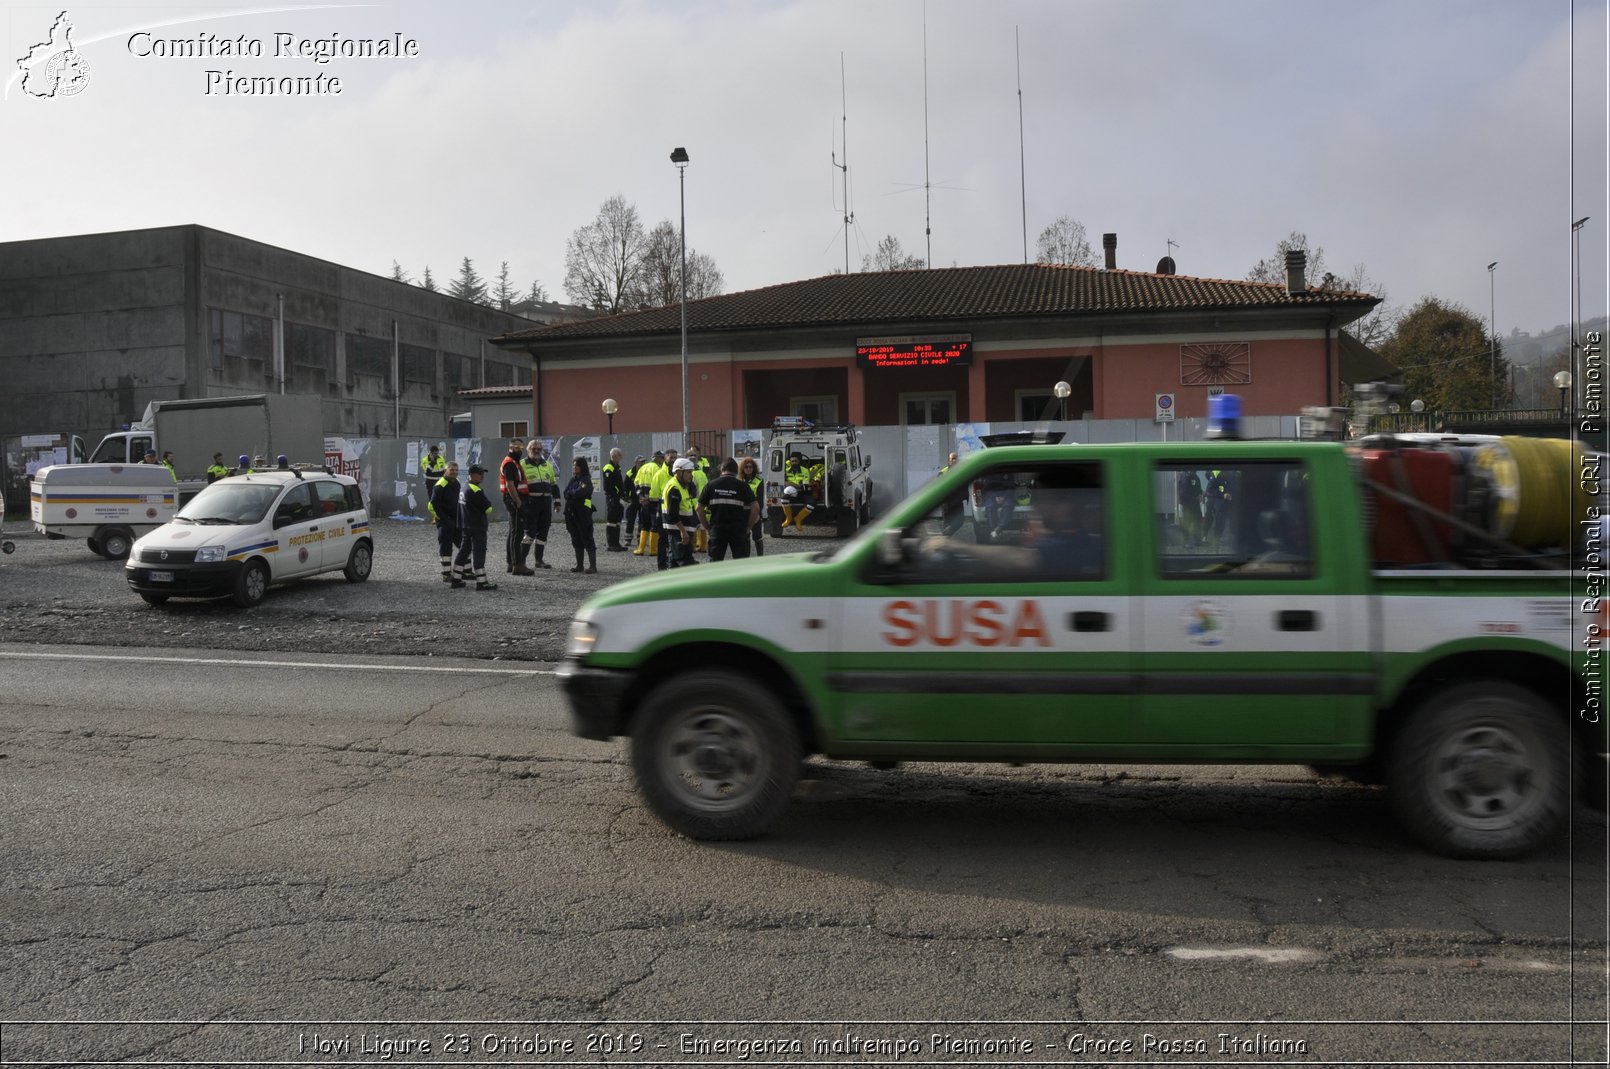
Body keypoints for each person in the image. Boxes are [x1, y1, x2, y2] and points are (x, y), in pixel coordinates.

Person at [698, 457, 759, 561]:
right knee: (741, 563)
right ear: (736, 471)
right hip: (738, 530)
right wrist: (749, 527)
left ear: (722, 469)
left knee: (715, 563)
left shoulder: (711, 485)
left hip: (717, 529)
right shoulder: (743, 486)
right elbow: (756, 507)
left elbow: (699, 508)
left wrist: (707, 527)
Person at [451, 463, 497, 590]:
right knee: (479, 552)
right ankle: (481, 582)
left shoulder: (464, 487)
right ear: (472, 475)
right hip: (477, 526)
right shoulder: (476, 490)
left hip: (466, 525)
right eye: (479, 474)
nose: (482, 476)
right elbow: (488, 508)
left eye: (483, 474)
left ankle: (456, 579)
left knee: (464, 551)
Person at [522, 439, 559, 570]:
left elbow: (553, 484)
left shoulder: (547, 465)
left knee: (543, 532)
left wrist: (557, 501)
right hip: (531, 503)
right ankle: (521, 562)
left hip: (546, 503)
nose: (536, 451)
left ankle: (539, 560)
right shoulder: (522, 465)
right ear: (528, 450)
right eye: (533, 448)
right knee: (530, 532)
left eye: (539, 449)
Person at [498, 439, 532, 575]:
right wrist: (518, 502)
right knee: (517, 534)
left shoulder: (514, 462)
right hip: (514, 499)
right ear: (510, 448)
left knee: (513, 531)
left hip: (514, 499)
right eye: (516, 447)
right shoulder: (510, 464)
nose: (519, 449)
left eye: (521, 447)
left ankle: (510, 562)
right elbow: (509, 485)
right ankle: (518, 565)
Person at [428, 460, 462, 581]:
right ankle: (446, 574)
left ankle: (467, 571)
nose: (454, 472)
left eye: (456, 470)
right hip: (445, 521)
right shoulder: (440, 485)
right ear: (445, 471)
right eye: (452, 470)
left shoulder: (456, 483)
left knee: (462, 544)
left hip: (456, 520)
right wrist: (444, 519)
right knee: (446, 547)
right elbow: (433, 504)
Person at [662, 457, 698, 567]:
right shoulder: (675, 488)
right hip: (678, 532)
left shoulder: (682, 486)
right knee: (684, 562)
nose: (691, 475)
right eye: (688, 472)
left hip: (680, 531)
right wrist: (683, 531)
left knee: (674, 561)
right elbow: (672, 514)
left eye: (691, 472)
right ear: (678, 472)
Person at [564, 457, 598, 574]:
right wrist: (572, 493)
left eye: (577, 466)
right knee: (576, 537)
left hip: (583, 513)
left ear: (582, 467)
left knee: (587, 536)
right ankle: (579, 565)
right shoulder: (573, 480)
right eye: (574, 465)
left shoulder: (586, 480)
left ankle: (593, 566)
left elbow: (580, 492)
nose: (574, 467)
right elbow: (565, 493)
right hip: (571, 513)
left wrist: (572, 493)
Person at [632, 451, 663, 556]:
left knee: (644, 524)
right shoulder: (658, 469)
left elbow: (636, 484)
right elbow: (658, 486)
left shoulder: (642, 468)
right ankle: (653, 550)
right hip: (654, 502)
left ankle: (640, 549)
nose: (663, 460)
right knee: (654, 525)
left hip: (643, 502)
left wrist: (641, 496)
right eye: (662, 458)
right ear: (658, 458)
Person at [652, 448, 678, 570]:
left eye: (675, 457)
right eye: (671, 457)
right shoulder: (659, 474)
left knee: (676, 538)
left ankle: (675, 564)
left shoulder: (679, 473)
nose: (673, 460)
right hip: (662, 511)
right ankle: (662, 566)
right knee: (663, 539)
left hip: (677, 511)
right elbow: (654, 495)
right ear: (665, 458)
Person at [738, 455, 766, 556]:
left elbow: (760, 500)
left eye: (750, 467)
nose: (748, 469)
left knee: (757, 537)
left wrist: (757, 514)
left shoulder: (759, 480)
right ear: (742, 468)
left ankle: (760, 558)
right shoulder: (739, 480)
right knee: (745, 536)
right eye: (746, 467)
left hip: (755, 512)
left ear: (753, 468)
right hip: (743, 513)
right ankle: (747, 558)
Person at [601, 448, 627, 551]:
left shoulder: (617, 468)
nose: (621, 457)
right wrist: (616, 493)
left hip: (618, 498)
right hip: (613, 498)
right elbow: (607, 486)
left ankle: (616, 543)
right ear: (614, 456)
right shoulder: (609, 468)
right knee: (612, 521)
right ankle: (611, 544)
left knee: (617, 520)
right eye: (619, 455)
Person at [623, 455, 645, 544]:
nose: (643, 464)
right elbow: (625, 488)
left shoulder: (645, 472)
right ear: (636, 463)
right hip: (633, 500)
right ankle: (628, 539)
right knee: (630, 520)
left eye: (644, 462)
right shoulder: (630, 473)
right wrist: (626, 500)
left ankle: (640, 539)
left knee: (642, 520)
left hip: (642, 500)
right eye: (641, 462)